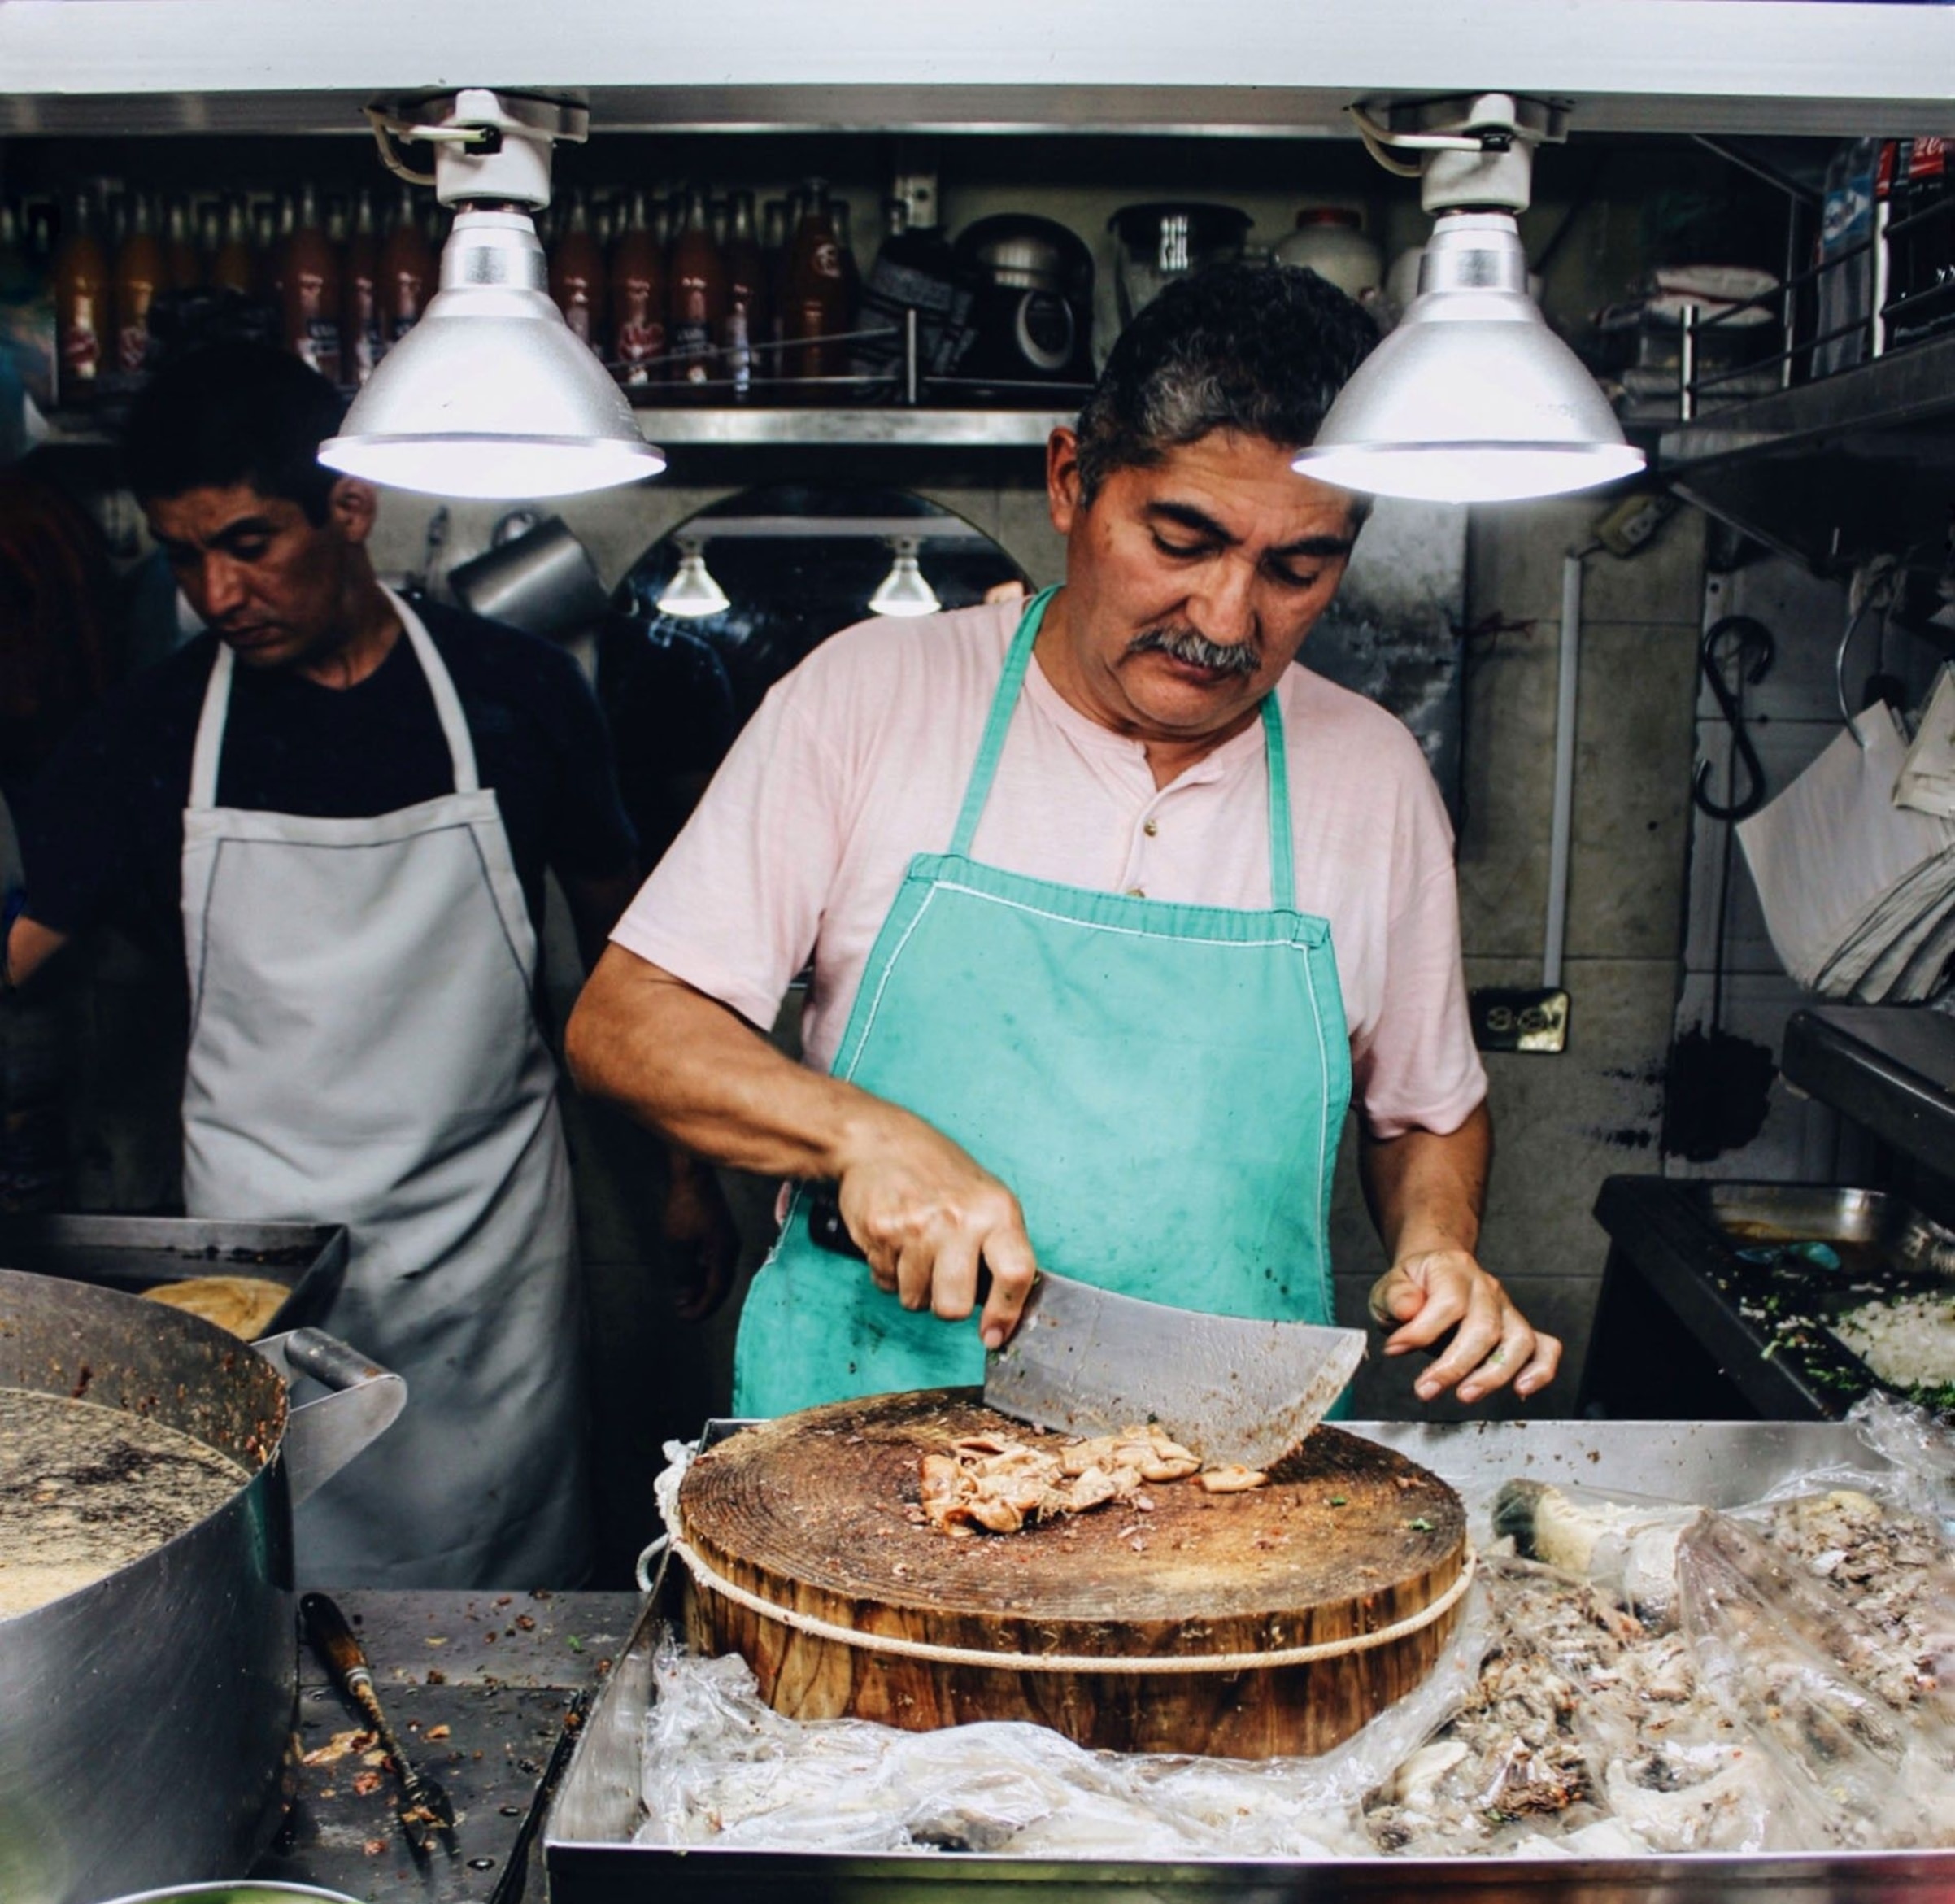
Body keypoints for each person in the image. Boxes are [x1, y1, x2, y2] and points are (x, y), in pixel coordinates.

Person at [567, 263, 1561, 1419]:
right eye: (1183, 539)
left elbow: (1428, 1107)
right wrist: (857, 1135)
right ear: (1069, 481)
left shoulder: (1373, 775)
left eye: (1297, 569)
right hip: (862, 1422)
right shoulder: (868, 699)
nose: (1228, 620)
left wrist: (1437, 1244)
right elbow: (627, 1022)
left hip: (1221, 1449)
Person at [4, 341, 735, 1584]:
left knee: (506, 1589)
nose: (217, 593)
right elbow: (22, 949)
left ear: (350, 507)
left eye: (248, 543)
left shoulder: (514, 697)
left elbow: (633, 952)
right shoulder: (157, 727)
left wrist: (686, 1175)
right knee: (274, 1584)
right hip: (261, 1260)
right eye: (186, 557)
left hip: (483, 1247)